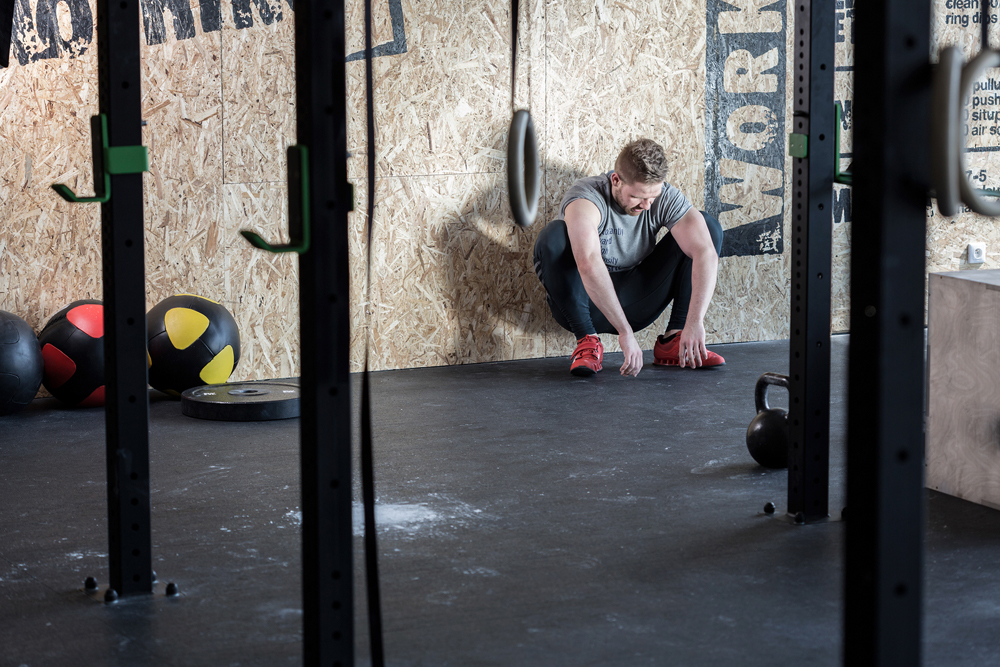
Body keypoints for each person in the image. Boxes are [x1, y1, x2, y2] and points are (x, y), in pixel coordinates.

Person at [533, 138, 726, 377]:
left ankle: (674, 342)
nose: (646, 205)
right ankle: (587, 342)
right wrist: (625, 332)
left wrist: (694, 321)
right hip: (584, 304)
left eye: (652, 197)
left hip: (638, 299)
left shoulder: (663, 196)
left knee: (707, 228)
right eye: (637, 197)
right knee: (553, 236)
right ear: (616, 180)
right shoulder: (586, 197)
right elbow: (588, 262)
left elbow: (705, 252)